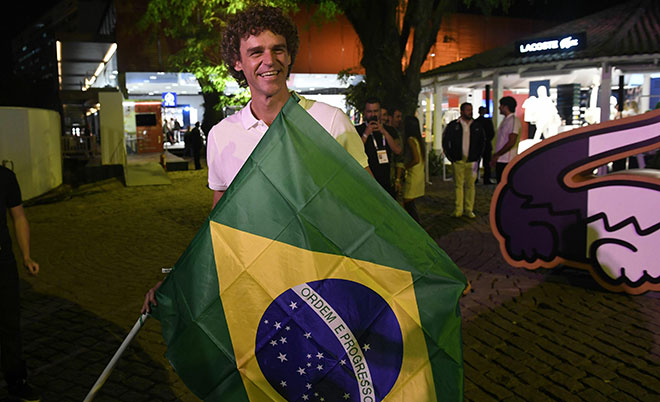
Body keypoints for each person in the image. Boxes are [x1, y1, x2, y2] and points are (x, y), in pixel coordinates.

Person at [142, 5, 369, 313]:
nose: (269, 60)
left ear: (289, 56)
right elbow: (221, 226)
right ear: (238, 62)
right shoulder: (222, 136)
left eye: (278, 49)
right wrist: (182, 279)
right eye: (256, 52)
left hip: (325, 290)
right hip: (258, 294)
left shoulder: (330, 122)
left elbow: (372, 211)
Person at [0, 166, 41, 402]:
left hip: (2, 260)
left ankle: (16, 380)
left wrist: (26, 256)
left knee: (9, 323)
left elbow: (19, 217)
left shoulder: (5, 177)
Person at [442, 103, 486, 218]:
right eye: (468, 110)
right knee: (458, 185)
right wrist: (451, 157)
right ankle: (458, 209)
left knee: (470, 185)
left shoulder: (477, 125)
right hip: (458, 160)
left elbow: (482, 142)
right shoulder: (453, 126)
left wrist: (478, 157)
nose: (470, 112)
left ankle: (469, 209)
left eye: (471, 110)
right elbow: (446, 141)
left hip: (472, 161)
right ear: (461, 111)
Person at [355, 98, 402, 197]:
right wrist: (366, 134)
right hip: (368, 181)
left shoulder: (390, 130)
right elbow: (355, 151)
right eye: (369, 111)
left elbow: (397, 150)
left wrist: (384, 131)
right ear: (365, 112)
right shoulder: (358, 130)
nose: (372, 115)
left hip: (387, 181)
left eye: (375, 111)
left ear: (380, 112)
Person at [395, 116, 426, 223]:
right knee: (410, 203)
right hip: (418, 174)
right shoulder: (418, 140)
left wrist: (405, 167)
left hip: (413, 175)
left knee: (408, 202)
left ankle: (416, 226)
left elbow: (416, 159)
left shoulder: (410, 140)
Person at [490, 96, 522, 182]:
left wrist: (498, 154)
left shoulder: (513, 121)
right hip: (501, 159)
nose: (499, 107)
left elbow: (511, 141)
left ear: (506, 107)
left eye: (501, 105)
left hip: (507, 160)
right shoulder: (505, 120)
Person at [474, 106, 495, 184]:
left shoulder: (476, 122)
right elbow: (492, 133)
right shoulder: (488, 121)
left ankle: (475, 178)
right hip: (486, 145)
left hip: (478, 146)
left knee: (476, 163)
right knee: (486, 164)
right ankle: (486, 179)